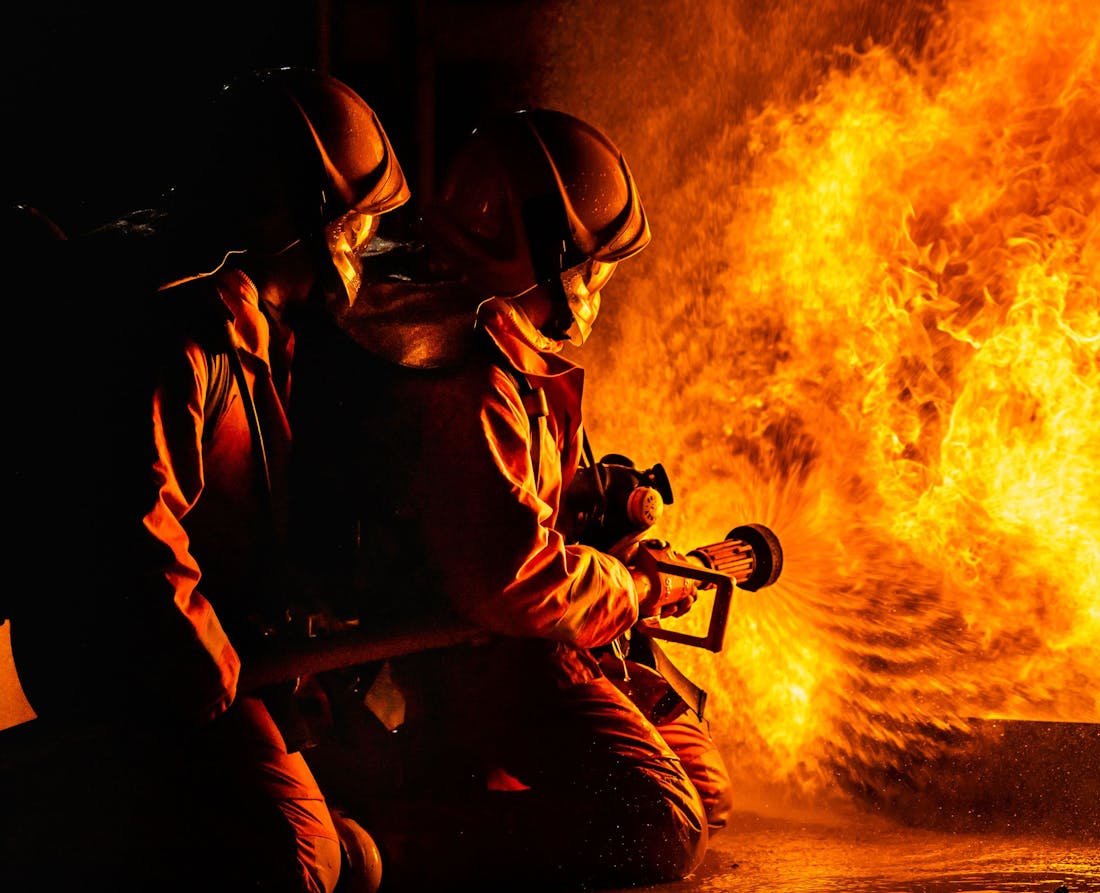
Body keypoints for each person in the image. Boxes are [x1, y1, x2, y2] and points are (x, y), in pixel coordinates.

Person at [289, 108, 732, 890]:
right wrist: (631, 587)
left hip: (520, 638)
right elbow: (507, 574)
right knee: (658, 825)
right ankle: (384, 840)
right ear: (539, 255)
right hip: (471, 651)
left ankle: (464, 794)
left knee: (708, 787)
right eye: (590, 267)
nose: (597, 286)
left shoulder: (497, 345)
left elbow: (527, 512)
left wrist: (608, 531)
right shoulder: (471, 375)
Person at [2, 66, 409, 893]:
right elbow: (131, 525)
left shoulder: (248, 313)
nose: (360, 245)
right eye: (352, 222)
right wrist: (204, 657)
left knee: (343, 851)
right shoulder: (175, 329)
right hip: (129, 669)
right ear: (284, 214)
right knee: (295, 865)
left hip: (196, 654)